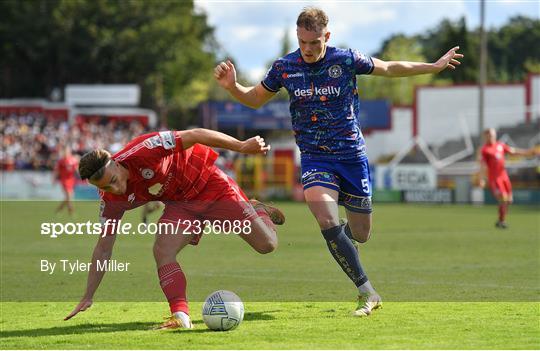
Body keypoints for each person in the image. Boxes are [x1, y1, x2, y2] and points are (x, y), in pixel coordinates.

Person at [214, 6, 463, 317]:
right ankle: (367, 292)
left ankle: (343, 241)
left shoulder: (345, 59)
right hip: (315, 158)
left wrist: (432, 66)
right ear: (297, 37)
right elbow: (254, 98)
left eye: (314, 43)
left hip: (352, 157)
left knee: (360, 235)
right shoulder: (284, 67)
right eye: (303, 42)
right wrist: (232, 87)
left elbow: (388, 67)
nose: (307, 49)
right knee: (326, 220)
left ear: (326, 37)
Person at [63, 129, 285, 329]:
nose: (115, 188)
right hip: (181, 204)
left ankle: (258, 211)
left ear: (117, 163)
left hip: (210, 183)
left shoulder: (145, 149)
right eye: (105, 187)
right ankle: (180, 316)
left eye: (114, 180)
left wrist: (242, 146)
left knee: (267, 245)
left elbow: (195, 134)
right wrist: (88, 295)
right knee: (162, 250)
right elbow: (103, 248)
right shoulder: (110, 200)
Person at [478, 128, 537, 228]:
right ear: (485, 137)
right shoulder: (485, 150)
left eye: (492, 135)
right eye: (489, 135)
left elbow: (513, 151)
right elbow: (483, 165)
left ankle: (500, 221)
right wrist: (482, 179)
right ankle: (501, 221)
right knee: (503, 198)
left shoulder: (500, 145)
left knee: (509, 200)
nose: (491, 137)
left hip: (504, 176)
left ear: (495, 135)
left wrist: (527, 152)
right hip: (495, 178)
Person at [53, 146, 79, 215]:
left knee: (69, 197)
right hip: (64, 180)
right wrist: (54, 179)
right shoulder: (61, 161)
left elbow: (76, 169)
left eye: (67, 151)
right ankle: (71, 211)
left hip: (71, 180)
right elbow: (57, 171)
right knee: (69, 196)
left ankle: (59, 209)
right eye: (64, 151)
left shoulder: (73, 160)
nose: (66, 153)